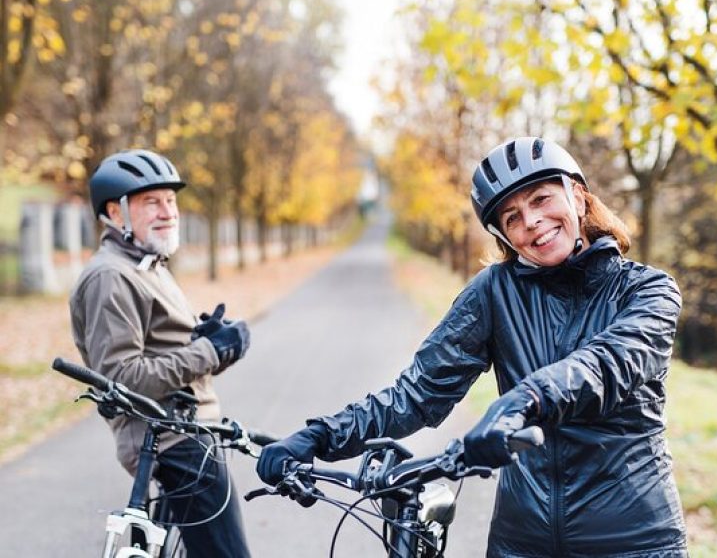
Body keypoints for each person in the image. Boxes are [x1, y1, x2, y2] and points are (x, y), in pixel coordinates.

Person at [257, 136, 688, 557]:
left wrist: (522, 403)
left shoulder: (647, 291)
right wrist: (320, 435)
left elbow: (605, 366)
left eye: (540, 199)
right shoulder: (493, 293)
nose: (531, 222)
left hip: (633, 540)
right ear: (504, 236)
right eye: (512, 217)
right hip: (521, 541)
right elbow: (418, 394)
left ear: (577, 196)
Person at [69, 149, 252, 558]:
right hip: (171, 443)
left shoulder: (148, 266)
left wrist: (212, 343)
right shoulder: (110, 277)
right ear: (116, 213)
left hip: (189, 433)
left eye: (171, 200)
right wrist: (208, 350)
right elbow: (122, 378)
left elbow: (162, 352)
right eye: (151, 201)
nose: (168, 211)